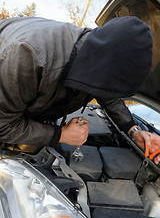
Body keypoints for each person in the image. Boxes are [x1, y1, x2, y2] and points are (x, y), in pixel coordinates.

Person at [0, 16, 160, 164]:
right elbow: (2, 125)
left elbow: (108, 95)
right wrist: (60, 134)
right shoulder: (28, 56)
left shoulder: (98, 56)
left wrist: (133, 130)